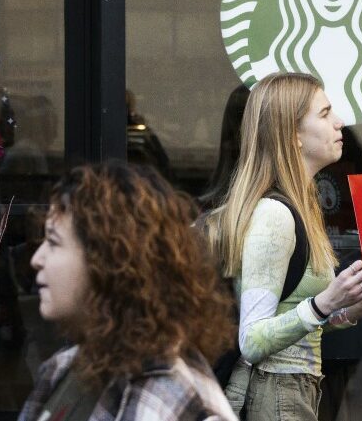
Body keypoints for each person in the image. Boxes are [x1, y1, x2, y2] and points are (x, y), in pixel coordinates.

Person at [206, 72, 362, 420]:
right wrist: (326, 302)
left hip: (292, 387)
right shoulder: (275, 215)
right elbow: (252, 341)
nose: (340, 123)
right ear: (293, 134)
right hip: (275, 391)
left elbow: (290, 316)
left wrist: (344, 311)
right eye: (325, 113)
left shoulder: (298, 205)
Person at [19, 161, 236, 421]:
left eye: (53, 242)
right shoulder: (66, 368)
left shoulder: (169, 400)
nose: (37, 258)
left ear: (108, 262)